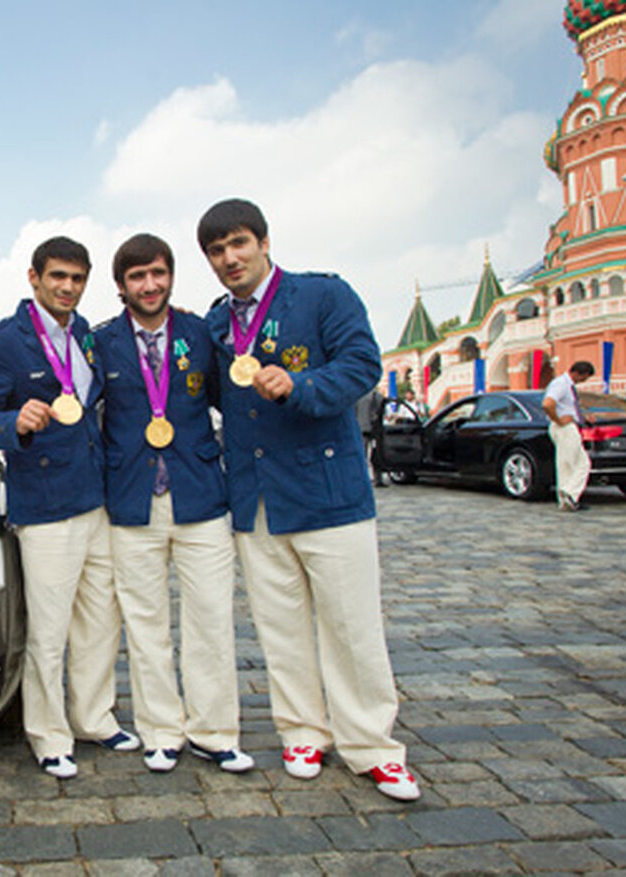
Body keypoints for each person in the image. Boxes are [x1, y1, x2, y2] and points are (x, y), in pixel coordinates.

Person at [198, 198, 420, 802]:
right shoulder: (218, 323)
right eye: (216, 251)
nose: (229, 258)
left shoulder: (323, 295)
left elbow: (362, 365)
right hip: (256, 495)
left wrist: (302, 384)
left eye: (238, 243)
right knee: (280, 626)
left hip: (328, 491)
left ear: (265, 242)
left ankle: (373, 746)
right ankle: (302, 731)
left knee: (351, 626)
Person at [0, 236, 138, 779]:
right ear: (33, 277)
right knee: (50, 629)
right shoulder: (3, 342)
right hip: (43, 510)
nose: (67, 287)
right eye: (57, 277)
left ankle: (93, 717)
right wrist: (11, 423)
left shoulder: (84, 334)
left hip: (95, 501)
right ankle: (48, 733)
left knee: (99, 621)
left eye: (77, 279)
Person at [95, 233, 252, 774]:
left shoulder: (201, 334)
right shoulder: (101, 343)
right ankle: (161, 731)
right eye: (137, 276)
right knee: (145, 624)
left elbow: (229, 399)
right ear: (121, 286)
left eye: (158, 273)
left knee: (211, 617)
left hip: (200, 497)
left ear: (171, 275)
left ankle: (214, 732)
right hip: (132, 503)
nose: (150, 284)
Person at [542, 360, 595, 512]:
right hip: (564, 428)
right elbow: (547, 404)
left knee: (570, 464)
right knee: (578, 463)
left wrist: (582, 418)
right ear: (579, 373)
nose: (584, 381)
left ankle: (567, 499)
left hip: (567, 426)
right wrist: (558, 419)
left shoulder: (566, 385)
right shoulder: (561, 384)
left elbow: (567, 408)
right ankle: (569, 493)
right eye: (585, 378)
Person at [355, 388, 388, 487]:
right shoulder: (376, 396)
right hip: (374, 428)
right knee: (377, 454)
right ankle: (378, 478)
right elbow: (382, 409)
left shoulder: (357, 395)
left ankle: (361, 478)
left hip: (360, 428)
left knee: (362, 456)